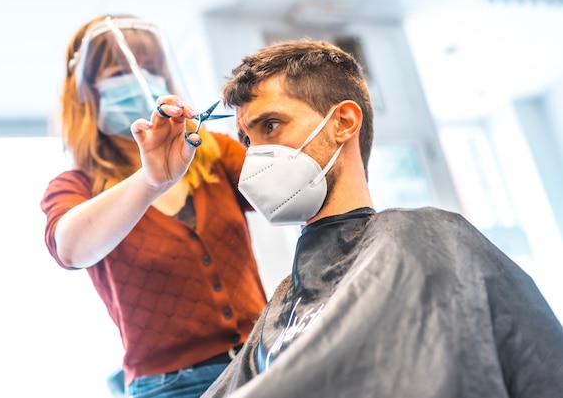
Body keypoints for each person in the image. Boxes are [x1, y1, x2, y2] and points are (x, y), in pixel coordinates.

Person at [197, 39, 563, 398]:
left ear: (342, 121)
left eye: (271, 126)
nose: (255, 155)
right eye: (247, 140)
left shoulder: (423, 238)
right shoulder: (282, 306)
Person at [39, 14, 267, 398]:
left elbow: (291, 193)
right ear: (87, 94)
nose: (140, 80)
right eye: (119, 72)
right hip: (167, 386)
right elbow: (71, 248)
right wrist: (151, 180)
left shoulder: (213, 155)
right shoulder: (75, 187)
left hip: (259, 361)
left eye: (150, 69)